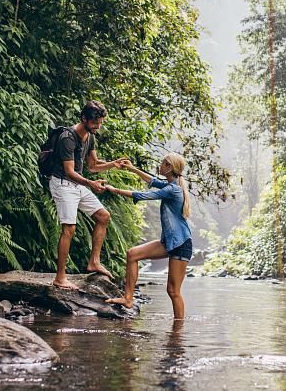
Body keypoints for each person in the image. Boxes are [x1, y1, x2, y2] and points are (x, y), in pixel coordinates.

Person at [105, 153, 192, 319]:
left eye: (163, 163)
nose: (160, 165)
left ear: (170, 167)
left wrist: (113, 189)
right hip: (168, 242)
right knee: (132, 254)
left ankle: (178, 331)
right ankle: (128, 298)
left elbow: (143, 195)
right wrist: (131, 168)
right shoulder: (170, 185)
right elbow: (152, 181)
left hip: (181, 244)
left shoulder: (173, 189)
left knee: (173, 291)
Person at [49, 100, 123, 290]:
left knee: (103, 216)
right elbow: (69, 171)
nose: (97, 126)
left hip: (77, 184)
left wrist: (113, 163)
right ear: (84, 118)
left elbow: (93, 165)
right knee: (69, 229)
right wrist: (90, 183)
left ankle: (94, 262)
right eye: (94, 123)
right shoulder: (68, 137)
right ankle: (60, 278)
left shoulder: (90, 137)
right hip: (63, 184)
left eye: (100, 123)